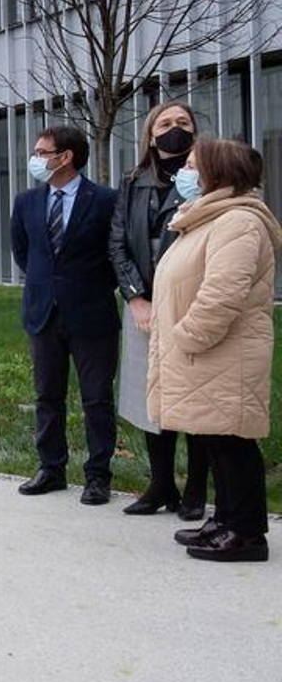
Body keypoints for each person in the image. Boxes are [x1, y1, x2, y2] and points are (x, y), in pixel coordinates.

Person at [149, 138, 281, 563]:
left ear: (218, 172)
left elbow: (223, 293)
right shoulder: (207, 218)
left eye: (192, 165)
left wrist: (186, 336)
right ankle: (224, 520)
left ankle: (246, 533)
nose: (184, 172)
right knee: (214, 439)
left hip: (221, 350)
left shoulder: (238, 222)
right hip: (205, 353)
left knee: (232, 442)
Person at [108, 101, 209, 519]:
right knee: (153, 398)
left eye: (182, 123)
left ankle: (197, 489)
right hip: (144, 308)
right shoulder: (134, 182)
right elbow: (117, 243)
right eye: (164, 124)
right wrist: (135, 297)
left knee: (198, 399)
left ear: (195, 132)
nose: (174, 129)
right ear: (150, 135)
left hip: (193, 305)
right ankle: (161, 484)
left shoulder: (210, 179)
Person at [10, 124, 120, 505]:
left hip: (92, 314)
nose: (36, 159)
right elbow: (23, 252)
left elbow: (115, 254)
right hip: (43, 313)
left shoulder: (106, 200)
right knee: (48, 396)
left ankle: (98, 476)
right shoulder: (26, 202)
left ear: (66, 157)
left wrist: (85, 286)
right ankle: (51, 468)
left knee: (97, 399)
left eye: (42, 152)